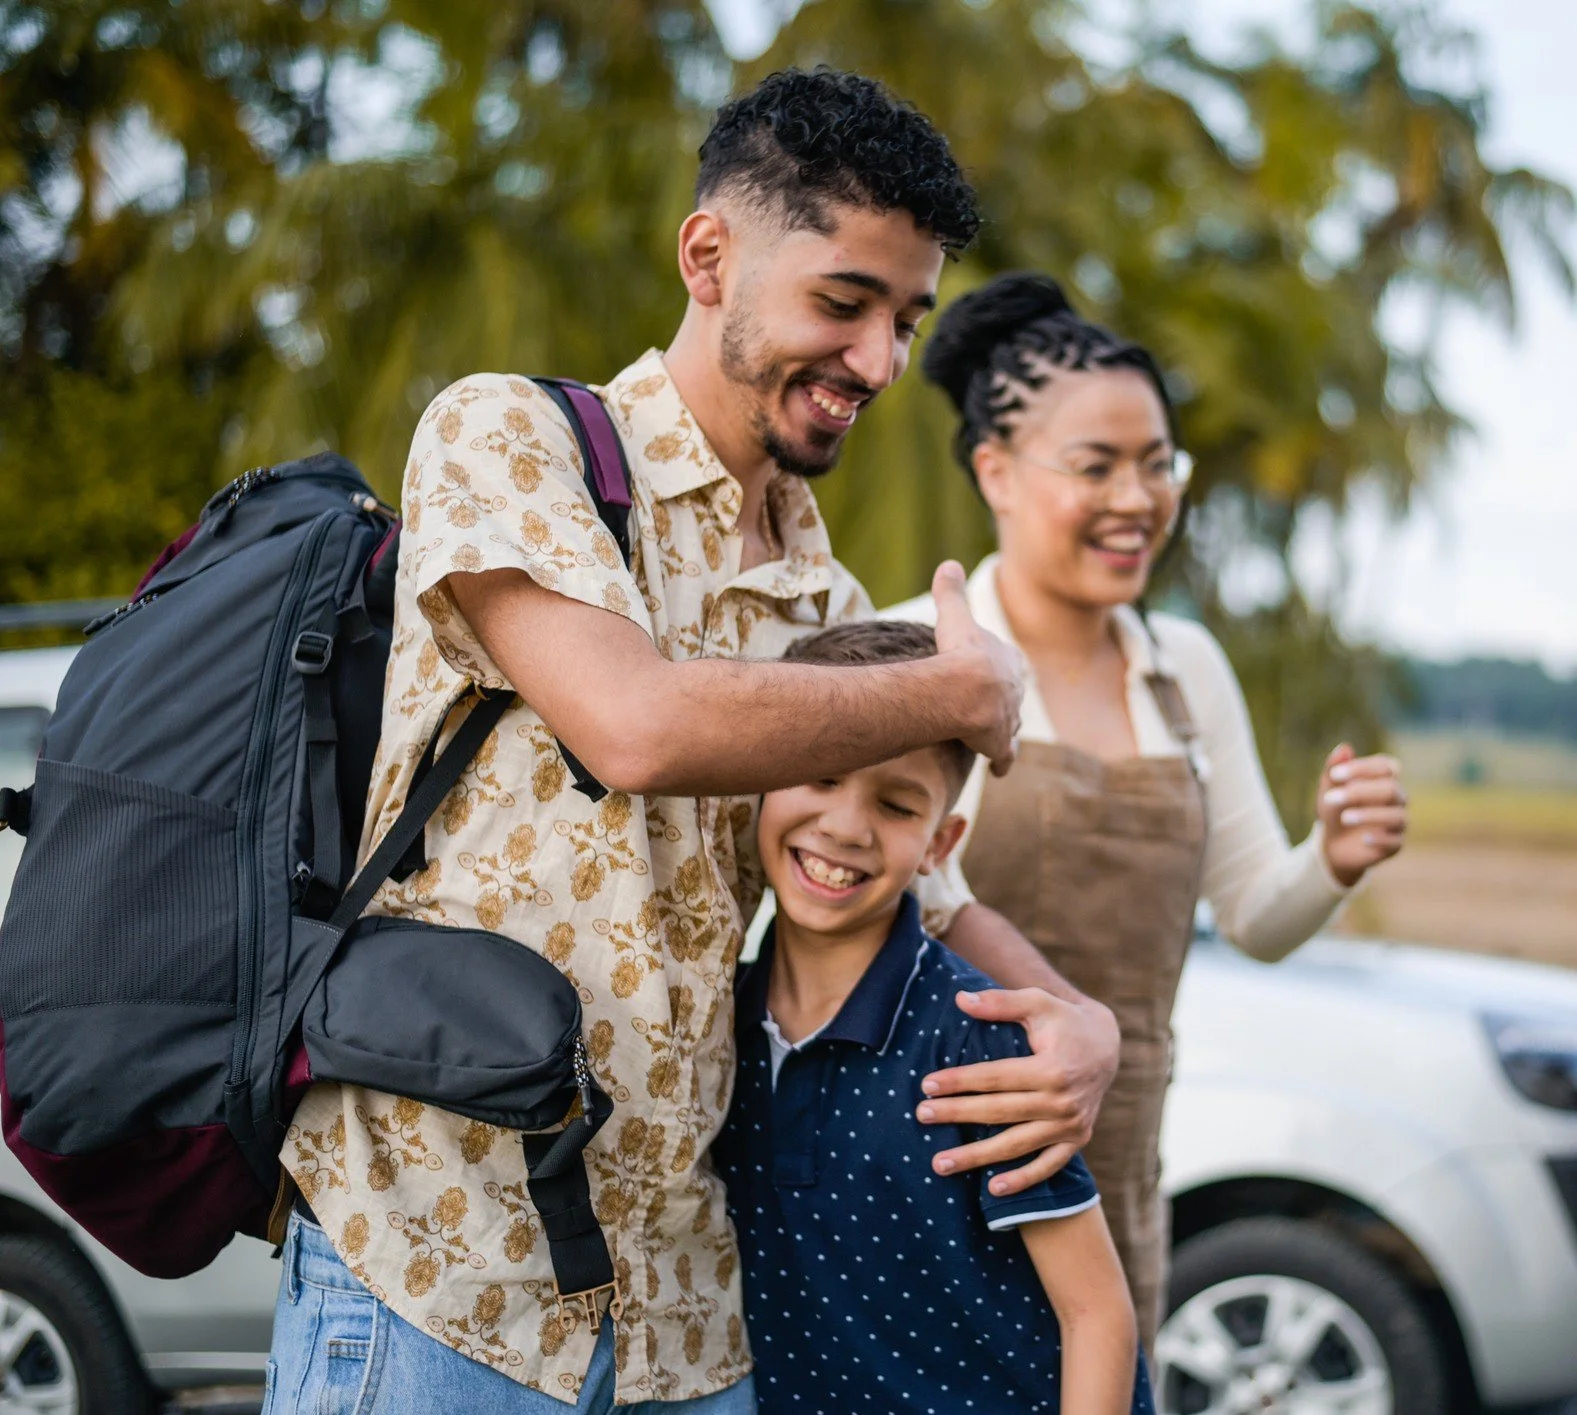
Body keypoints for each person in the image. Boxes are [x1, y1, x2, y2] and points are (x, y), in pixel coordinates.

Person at [272, 77, 1122, 1414]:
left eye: (905, 321)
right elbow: (637, 723)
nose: (879, 361)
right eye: (843, 302)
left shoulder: (825, 600)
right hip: (440, 1267)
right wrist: (956, 691)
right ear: (708, 256)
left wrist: (1077, 1020)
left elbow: (926, 886)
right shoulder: (508, 437)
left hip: (686, 1311)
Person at [891, 271, 1409, 1350]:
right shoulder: (909, 656)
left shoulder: (1186, 669)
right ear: (994, 471)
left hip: (1115, 1166)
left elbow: (1256, 917)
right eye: (1095, 466)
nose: (1136, 498)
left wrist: (1332, 856)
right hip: (921, 1159)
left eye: (1155, 462)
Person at [712, 620, 1155, 1415]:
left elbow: (1097, 1311)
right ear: (760, 780)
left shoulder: (975, 1040)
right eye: (818, 777)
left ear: (939, 843)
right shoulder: (713, 1025)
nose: (845, 826)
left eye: (893, 803)